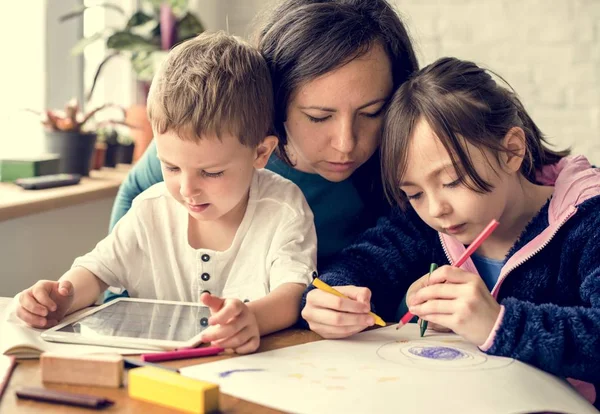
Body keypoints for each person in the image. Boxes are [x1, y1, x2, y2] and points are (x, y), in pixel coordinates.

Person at [301, 56, 600, 406]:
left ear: (511, 152)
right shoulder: (428, 221)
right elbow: (361, 263)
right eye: (413, 193)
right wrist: (331, 298)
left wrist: (498, 324)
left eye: (453, 180)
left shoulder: (586, 219)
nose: (435, 209)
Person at [15, 32, 317, 354]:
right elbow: (97, 271)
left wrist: (252, 319)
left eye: (211, 172)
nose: (187, 190)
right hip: (154, 373)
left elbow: (292, 293)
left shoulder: (284, 208)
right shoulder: (149, 210)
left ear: (260, 152)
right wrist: (62, 297)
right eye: (171, 167)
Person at [106, 0, 419, 275]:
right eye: (318, 117)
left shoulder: (404, 166)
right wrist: (118, 296)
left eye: (371, 112)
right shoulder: (227, 137)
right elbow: (135, 191)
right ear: (275, 99)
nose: (345, 144)